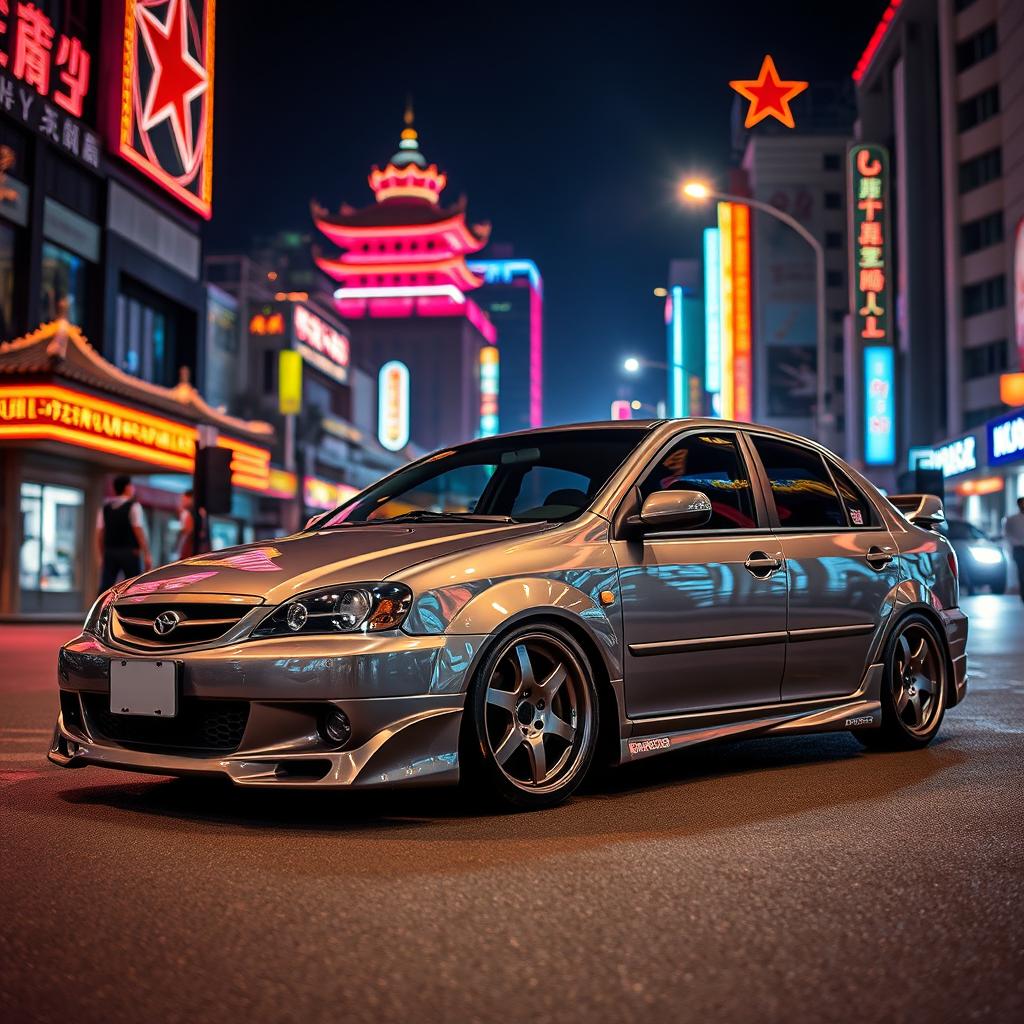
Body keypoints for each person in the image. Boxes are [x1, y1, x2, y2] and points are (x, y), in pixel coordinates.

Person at [96, 475, 151, 592]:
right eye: (131, 486)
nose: (133, 489)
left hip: (110, 552)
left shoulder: (105, 508)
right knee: (133, 585)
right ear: (127, 488)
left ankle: (102, 609)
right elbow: (138, 530)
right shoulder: (134, 506)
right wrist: (146, 554)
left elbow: (100, 533)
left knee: (106, 587)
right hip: (129, 552)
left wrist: (102, 555)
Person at [176, 489, 207, 560]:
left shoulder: (191, 514)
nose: (181, 502)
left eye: (183, 500)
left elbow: (188, 531)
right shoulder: (200, 513)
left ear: (191, 498)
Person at [1006, 497, 1024, 604]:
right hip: (1018, 549)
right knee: (1021, 571)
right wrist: (1016, 542)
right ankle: (1023, 593)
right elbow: (1007, 534)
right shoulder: (1012, 519)